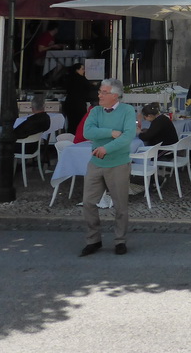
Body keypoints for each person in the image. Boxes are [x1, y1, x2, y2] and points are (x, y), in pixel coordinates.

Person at [80, 78, 136, 257]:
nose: (99, 95)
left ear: (115, 95)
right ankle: (93, 239)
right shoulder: (95, 111)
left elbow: (127, 137)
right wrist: (110, 132)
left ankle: (120, 240)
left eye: (104, 92)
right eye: (100, 92)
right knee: (88, 202)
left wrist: (106, 148)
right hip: (96, 164)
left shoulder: (127, 111)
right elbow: (87, 132)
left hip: (118, 164)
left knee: (120, 206)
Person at [62, 62, 94, 136]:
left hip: (69, 103)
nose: (84, 71)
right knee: (79, 123)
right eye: (82, 69)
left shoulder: (69, 78)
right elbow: (89, 88)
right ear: (77, 70)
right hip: (79, 105)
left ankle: (70, 139)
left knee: (71, 124)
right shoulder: (82, 79)